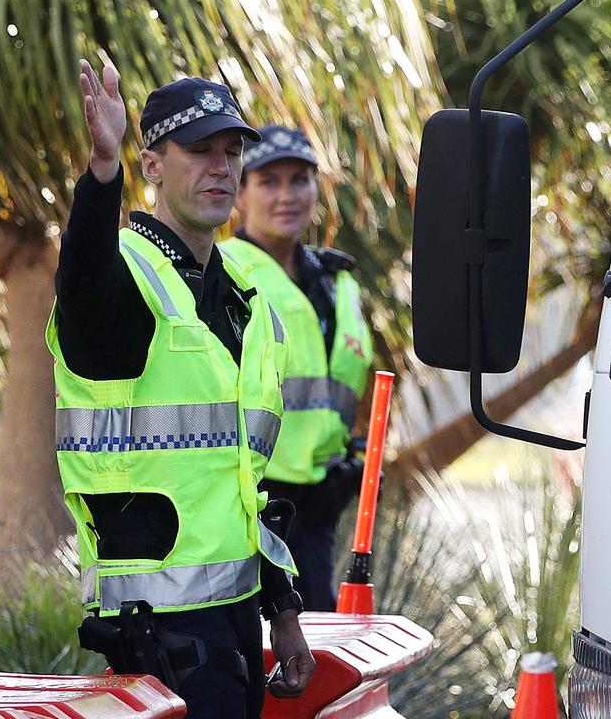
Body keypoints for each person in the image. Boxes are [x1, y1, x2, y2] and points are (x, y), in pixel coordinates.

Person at [47, 59, 314, 718]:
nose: (220, 167)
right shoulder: (123, 284)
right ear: (153, 165)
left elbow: (240, 482)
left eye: (230, 151)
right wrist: (100, 174)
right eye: (199, 151)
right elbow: (81, 280)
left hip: (236, 627)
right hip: (157, 636)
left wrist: (281, 608)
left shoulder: (245, 302)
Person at [220, 125, 374, 612]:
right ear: (240, 193)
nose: (287, 195)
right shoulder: (220, 274)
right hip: (247, 507)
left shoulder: (336, 282)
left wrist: (351, 456)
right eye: (269, 181)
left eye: (299, 180)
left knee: (320, 652)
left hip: (319, 505)